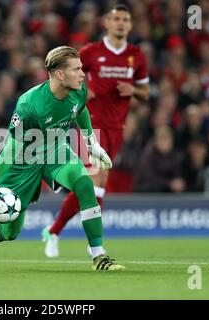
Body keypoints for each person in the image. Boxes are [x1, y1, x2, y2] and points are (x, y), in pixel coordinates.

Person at [0, 46, 125, 271]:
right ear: (60, 74)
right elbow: (11, 149)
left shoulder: (79, 89)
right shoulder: (29, 106)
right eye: (77, 69)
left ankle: (99, 256)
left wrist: (91, 143)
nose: (83, 74)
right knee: (10, 232)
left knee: (84, 183)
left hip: (55, 150)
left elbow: (79, 110)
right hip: (24, 160)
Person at [42, 4, 150, 257]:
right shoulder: (91, 52)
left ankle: (54, 230)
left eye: (126, 19)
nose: (121, 23)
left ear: (130, 25)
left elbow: (145, 92)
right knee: (95, 181)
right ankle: (95, 247)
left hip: (117, 128)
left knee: (94, 185)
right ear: (107, 23)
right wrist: (81, 90)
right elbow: (63, 76)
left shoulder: (136, 56)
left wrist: (132, 90)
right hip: (90, 124)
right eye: (117, 19)